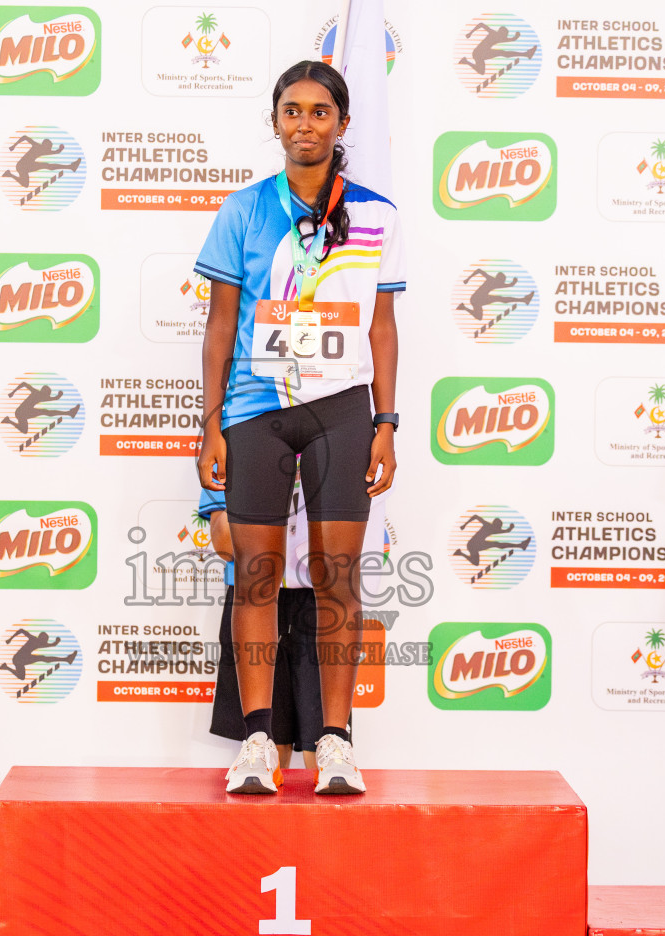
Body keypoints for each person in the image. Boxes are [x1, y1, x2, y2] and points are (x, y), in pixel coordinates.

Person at [195, 60, 402, 796]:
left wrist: (385, 420)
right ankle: (257, 739)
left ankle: (335, 742)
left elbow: (381, 326)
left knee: (337, 581)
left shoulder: (377, 213)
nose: (304, 123)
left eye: (320, 111)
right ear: (274, 121)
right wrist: (210, 421)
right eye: (292, 110)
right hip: (255, 411)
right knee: (254, 580)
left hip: (342, 413)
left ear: (343, 124)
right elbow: (221, 325)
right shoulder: (244, 210)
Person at [201, 471, 329, 777]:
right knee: (266, 747)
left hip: (319, 597)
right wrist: (264, 486)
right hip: (253, 598)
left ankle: (326, 825)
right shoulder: (235, 441)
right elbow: (226, 545)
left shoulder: (332, 444)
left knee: (324, 748)